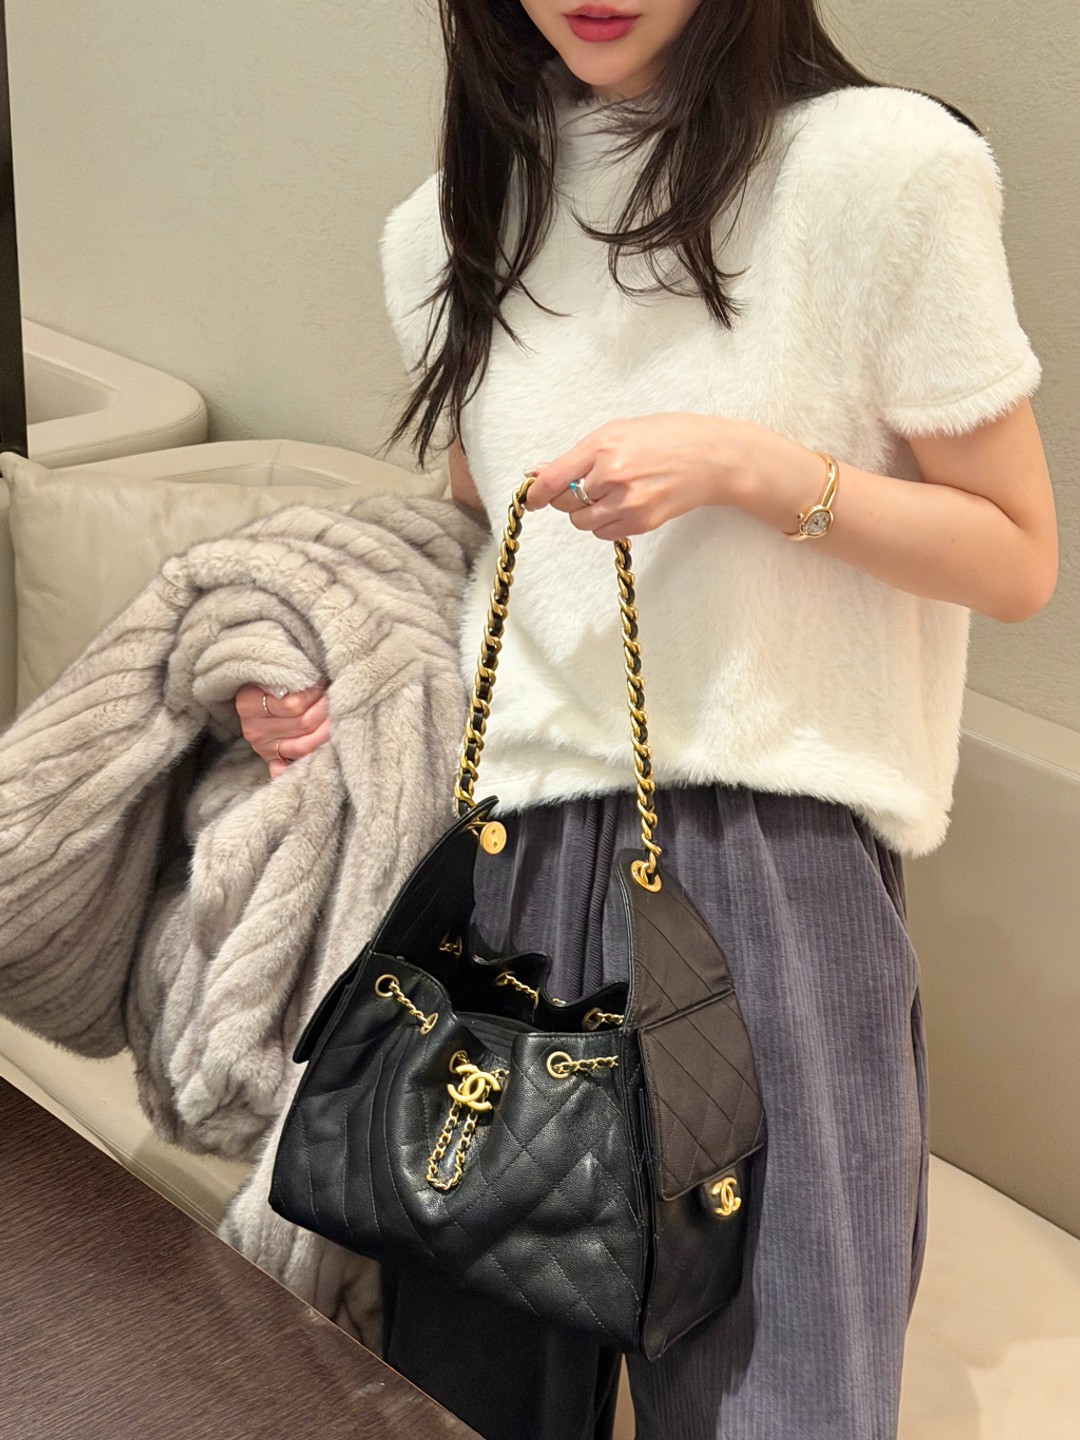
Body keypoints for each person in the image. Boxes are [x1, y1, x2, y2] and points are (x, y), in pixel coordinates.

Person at [236, 2, 1058, 1437]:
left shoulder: (878, 170)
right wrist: (336, 674)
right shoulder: (451, 228)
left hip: (771, 877)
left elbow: (1017, 555)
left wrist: (753, 468)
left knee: (779, 1395)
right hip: (510, 870)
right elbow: (487, 543)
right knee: (465, 1392)